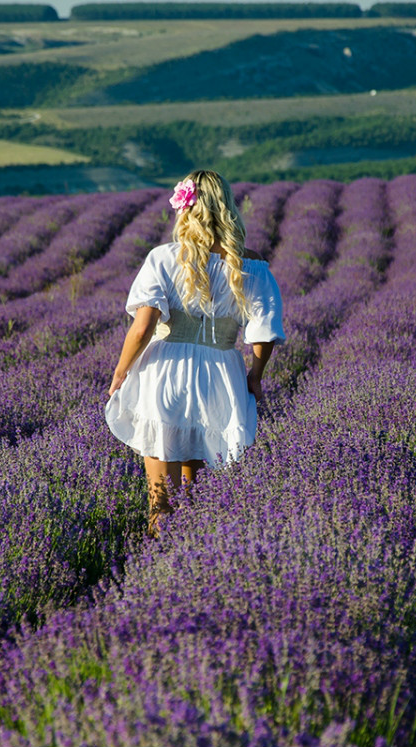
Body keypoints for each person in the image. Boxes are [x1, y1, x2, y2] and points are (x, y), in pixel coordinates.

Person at [105, 170, 285, 537]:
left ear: (185, 208)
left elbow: (142, 328)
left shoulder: (163, 258)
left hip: (164, 374)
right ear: (228, 207)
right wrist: (255, 376)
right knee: (194, 498)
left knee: (160, 502)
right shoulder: (252, 267)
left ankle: (157, 559)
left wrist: (121, 372)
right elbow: (263, 335)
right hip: (219, 378)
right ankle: (191, 559)